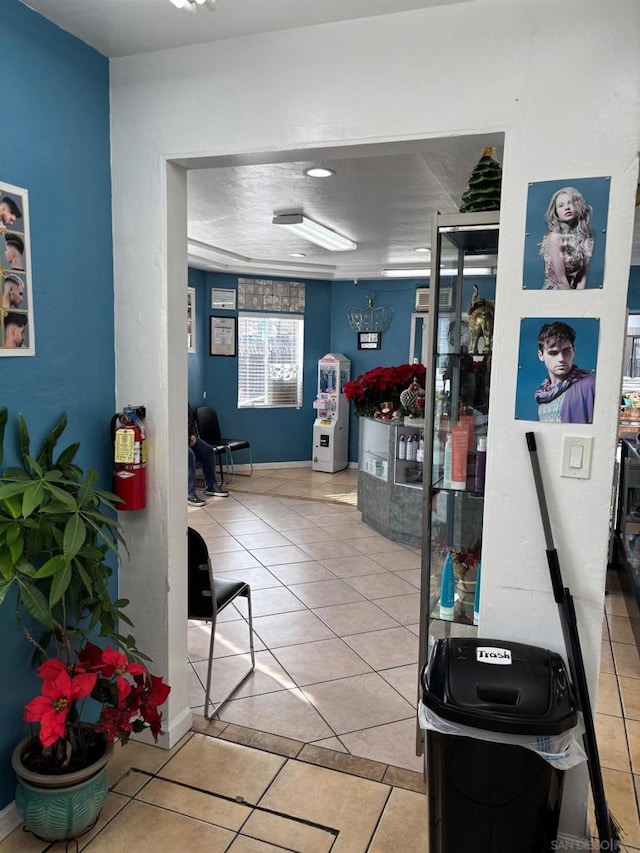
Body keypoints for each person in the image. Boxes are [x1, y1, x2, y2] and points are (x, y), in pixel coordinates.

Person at [535, 322, 595, 423]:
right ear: (541, 355)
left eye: (566, 351)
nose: (561, 359)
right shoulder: (542, 395)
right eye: (553, 353)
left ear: (573, 351)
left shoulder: (590, 385)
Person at [539, 187, 594, 290]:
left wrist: (580, 299)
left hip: (575, 293)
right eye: (561, 205)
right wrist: (572, 303)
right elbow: (561, 280)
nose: (567, 208)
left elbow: (582, 276)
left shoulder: (587, 235)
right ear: (556, 212)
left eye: (570, 203)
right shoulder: (555, 237)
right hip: (556, 294)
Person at [187, 404, 228, 506]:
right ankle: (189, 494)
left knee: (208, 450)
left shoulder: (183, 399)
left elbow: (190, 420)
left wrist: (192, 435)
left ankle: (211, 485)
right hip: (173, 439)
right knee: (189, 454)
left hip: (187, 436)